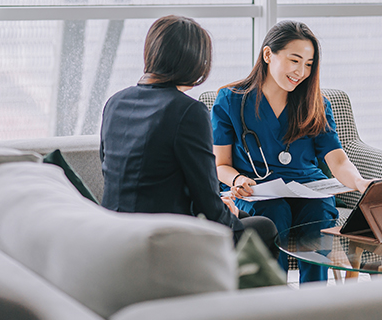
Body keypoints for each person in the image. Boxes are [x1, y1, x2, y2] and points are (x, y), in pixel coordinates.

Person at [100, 15, 278, 253]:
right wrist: (225, 212)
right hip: (163, 234)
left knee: (242, 215)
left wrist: (224, 209)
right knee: (264, 228)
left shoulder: (115, 102)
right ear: (195, 61)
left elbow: (124, 173)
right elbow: (206, 197)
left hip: (114, 228)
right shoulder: (188, 111)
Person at [211, 20, 371, 283]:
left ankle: (313, 303)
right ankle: (273, 300)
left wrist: (359, 182)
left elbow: (337, 158)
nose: (301, 71)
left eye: (308, 64)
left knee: (318, 214)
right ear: (267, 55)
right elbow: (221, 165)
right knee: (275, 214)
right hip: (257, 191)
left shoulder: (316, 104)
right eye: (294, 60)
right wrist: (237, 180)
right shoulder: (231, 100)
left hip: (309, 188)